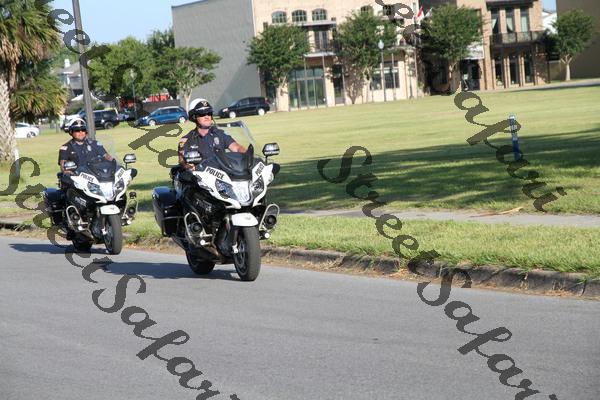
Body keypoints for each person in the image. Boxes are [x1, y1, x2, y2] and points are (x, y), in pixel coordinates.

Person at [178, 100, 246, 171]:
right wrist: (188, 166)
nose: (207, 116)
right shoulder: (187, 140)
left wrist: (247, 155)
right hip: (200, 175)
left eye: (209, 113)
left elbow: (237, 148)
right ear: (194, 116)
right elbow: (182, 161)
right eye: (202, 114)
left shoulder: (220, 134)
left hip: (223, 174)